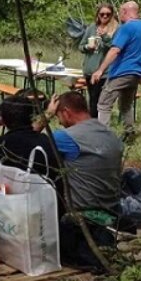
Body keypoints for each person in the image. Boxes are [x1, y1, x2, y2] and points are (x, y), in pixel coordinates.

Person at [39, 92, 125, 268]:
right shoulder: (111, 135)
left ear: (66, 112)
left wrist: (46, 115)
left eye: (58, 117)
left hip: (81, 218)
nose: (60, 122)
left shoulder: (66, 137)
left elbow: (27, 140)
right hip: (112, 211)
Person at [91, 0, 141, 142]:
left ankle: (103, 140)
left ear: (125, 12)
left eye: (120, 12)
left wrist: (100, 70)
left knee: (104, 103)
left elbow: (115, 50)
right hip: (136, 74)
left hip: (121, 72)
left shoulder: (126, 28)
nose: (119, 15)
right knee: (126, 105)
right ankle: (129, 135)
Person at [0, 91, 59, 181]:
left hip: (15, 194)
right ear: (31, 117)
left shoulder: (2, 143)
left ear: (2, 120)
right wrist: (48, 114)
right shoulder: (46, 140)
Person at [79, 3, 117, 118]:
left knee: (98, 100)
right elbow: (81, 46)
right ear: (98, 15)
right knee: (92, 99)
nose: (105, 16)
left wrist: (105, 36)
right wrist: (87, 47)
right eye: (102, 14)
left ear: (112, 15)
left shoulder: (116, 29)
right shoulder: (91, 28)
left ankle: (95, 124)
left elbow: (114, 48)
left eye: (108, 14)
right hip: (89, 70)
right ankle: (93, 123)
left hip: (104, 72)